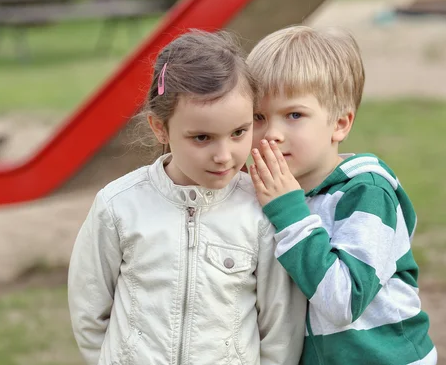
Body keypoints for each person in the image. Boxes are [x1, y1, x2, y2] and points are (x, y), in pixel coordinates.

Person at [67, 29, 306, 365]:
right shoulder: (118, 206)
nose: (224, 155)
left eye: (239, 132)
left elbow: (281, 326)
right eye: (202, 137)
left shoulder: (260, 209)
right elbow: (89, 308)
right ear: (160, 128)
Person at [246, 25, 437, 365]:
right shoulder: (271, 191)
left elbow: (344, 302)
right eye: (258, 117)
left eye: (294, 115)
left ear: (340, 124)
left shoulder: (367, 193)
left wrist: (289, 214)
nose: (271, 133)